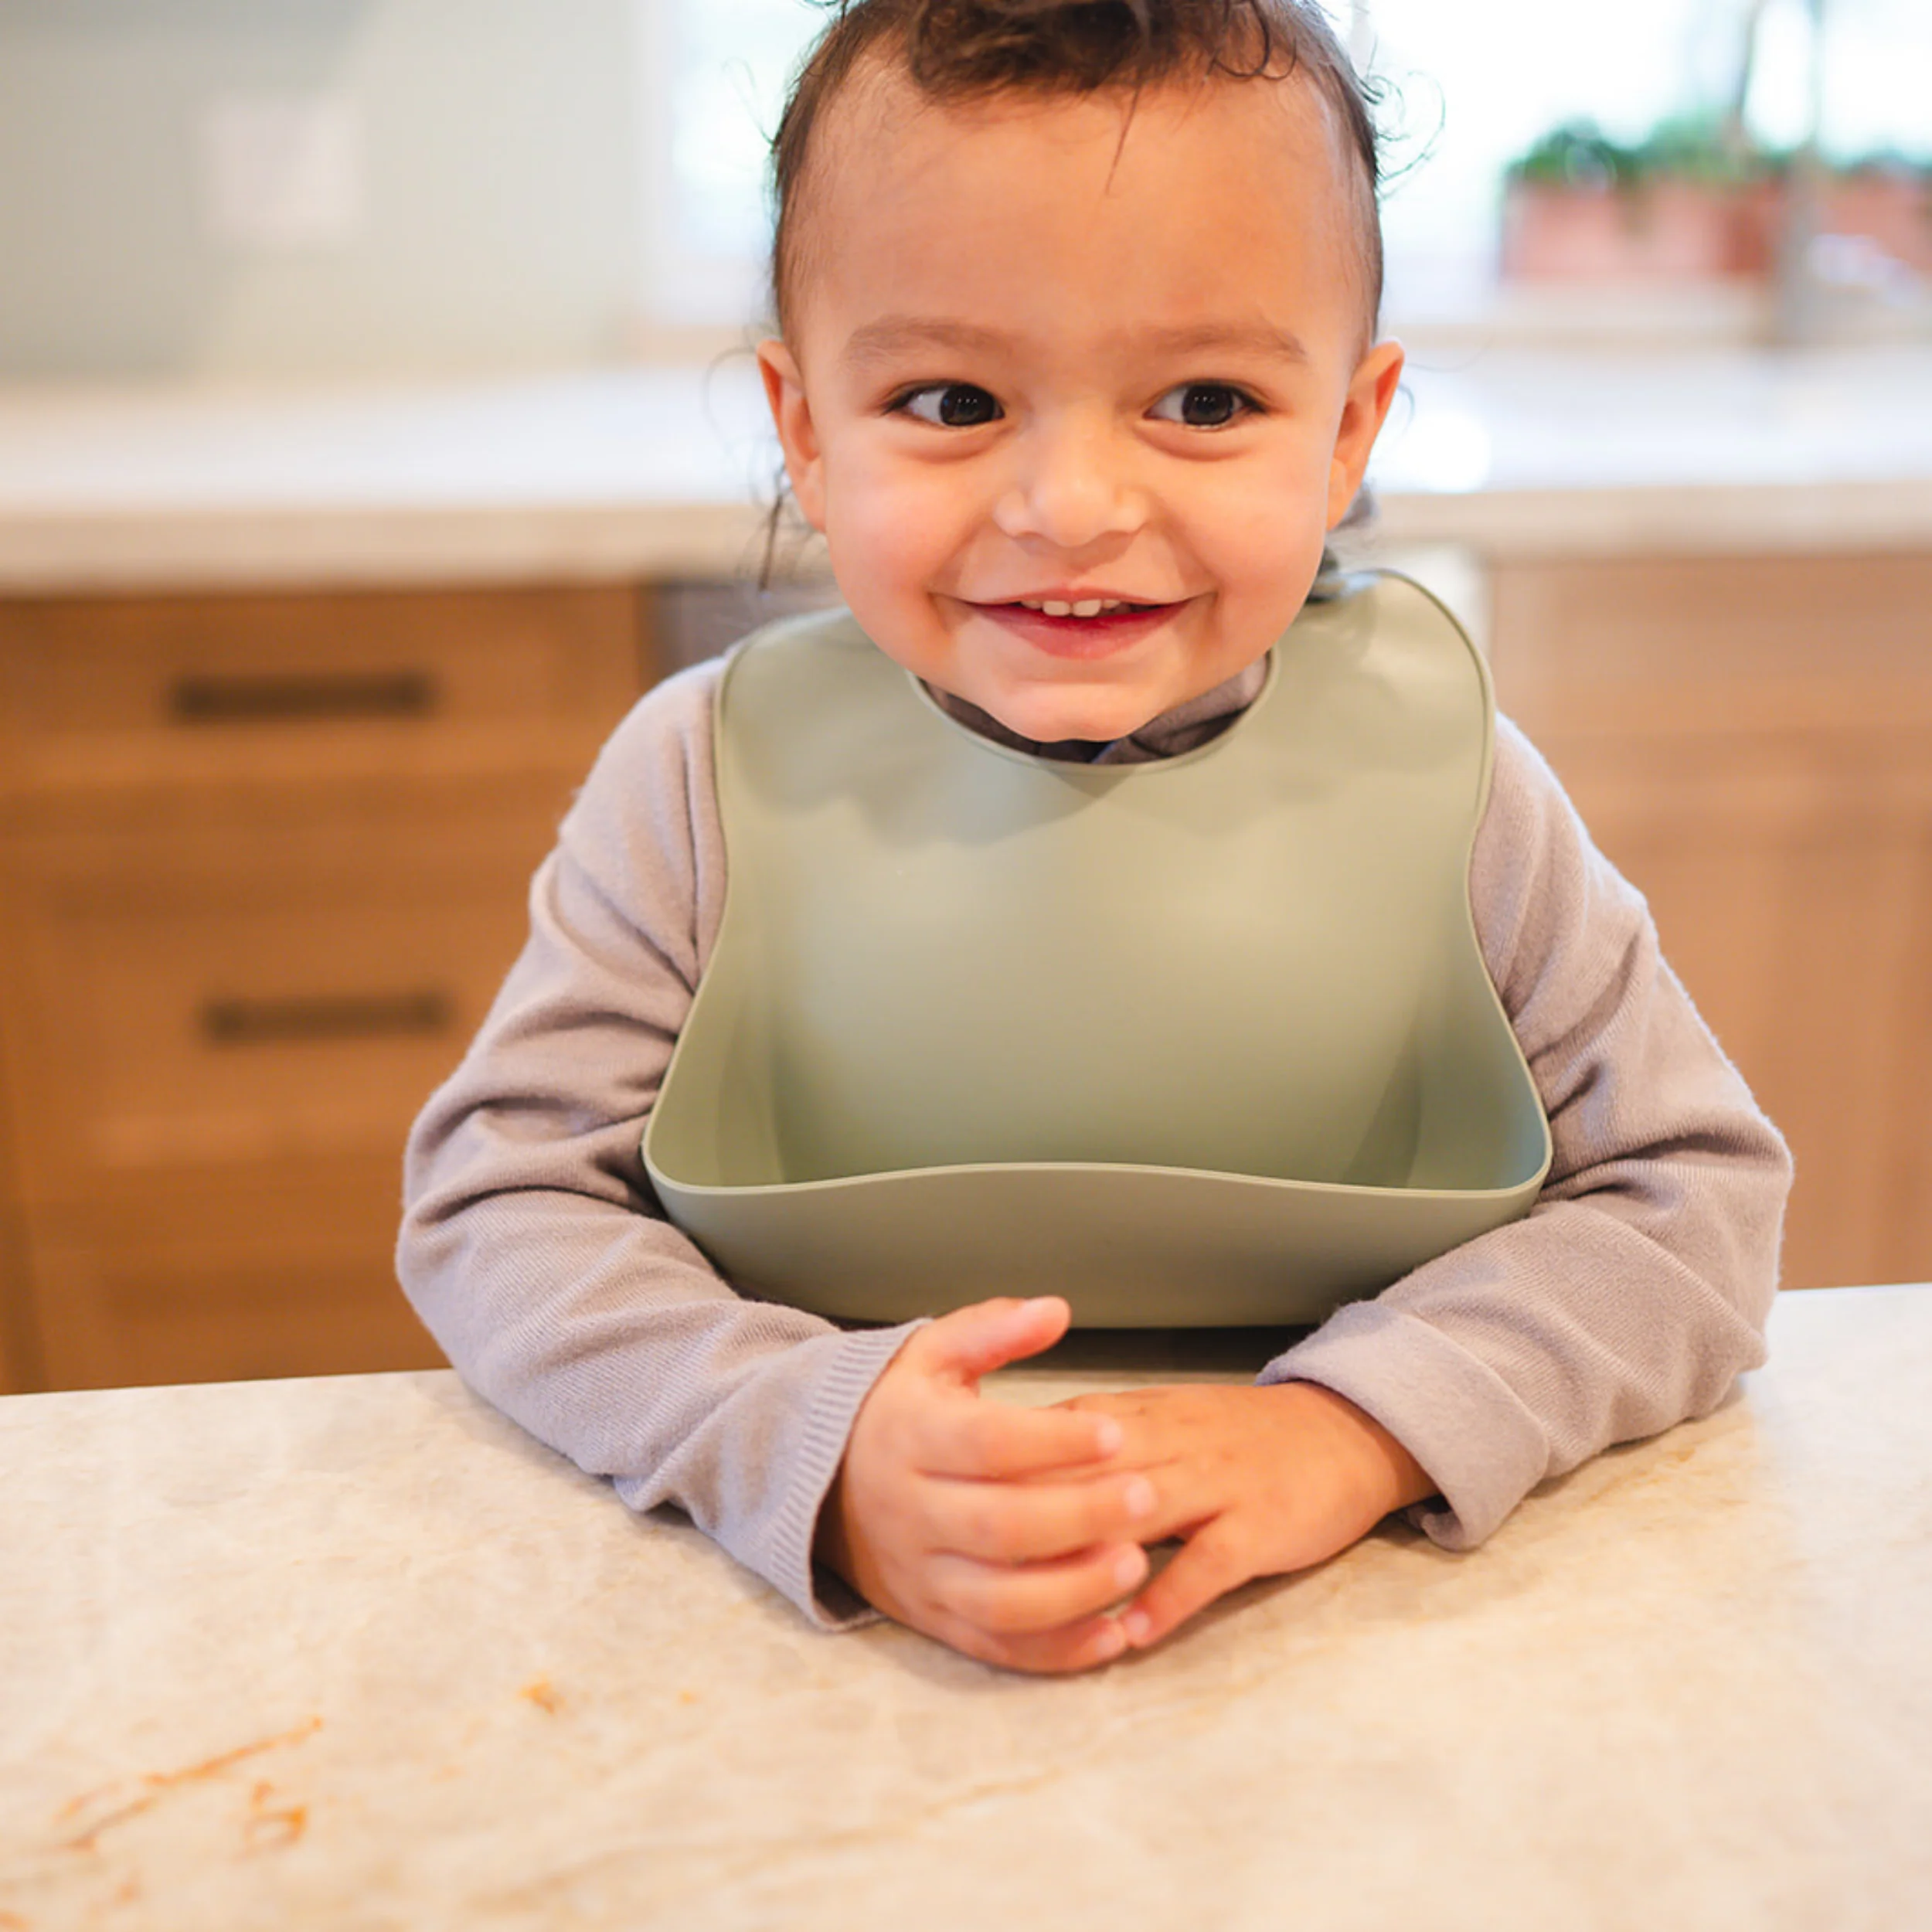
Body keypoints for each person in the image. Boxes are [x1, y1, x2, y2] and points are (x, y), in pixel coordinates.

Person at [397, 0, 1791, 1675]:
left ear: (1348, 433)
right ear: (805, 428)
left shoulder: (1461, 786)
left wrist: (1358, 1427)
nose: (1069, 507)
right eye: (950, 398)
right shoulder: (691, 783)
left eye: (1203, 399)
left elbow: (1699, 1205)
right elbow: (498, 1207)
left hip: (1349, 1648)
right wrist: (801, 1440)